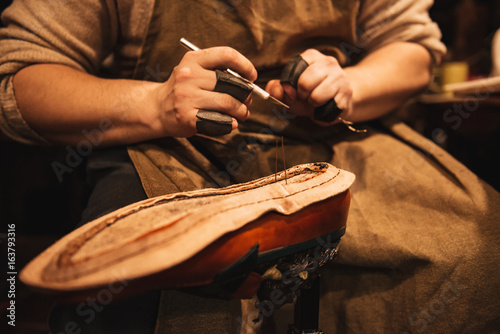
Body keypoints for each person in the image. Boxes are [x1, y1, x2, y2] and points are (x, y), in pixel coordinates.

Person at [1, 0, 499, 333]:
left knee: (474, 257)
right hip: (168, 143)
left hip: (324, 140)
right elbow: (21, 78)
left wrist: (349, 85)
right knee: (146, 291)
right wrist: (155, 103)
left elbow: (414, 49)